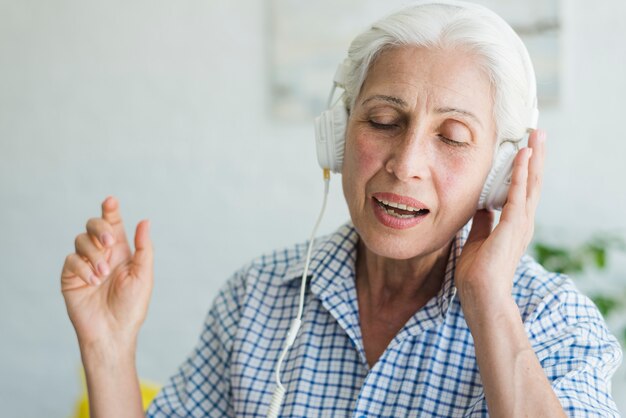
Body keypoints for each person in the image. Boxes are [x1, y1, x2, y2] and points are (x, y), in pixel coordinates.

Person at [60, 1, 622, 417]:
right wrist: (108, 348)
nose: (405, 164)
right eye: (382, 122)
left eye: (451, 136)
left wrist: (488, 303)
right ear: (337, 135)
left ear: (501, 172)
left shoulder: (556, 324)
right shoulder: (256, 297)